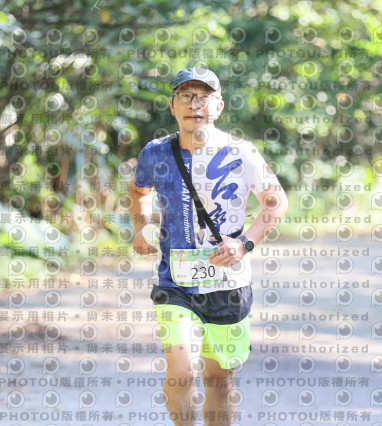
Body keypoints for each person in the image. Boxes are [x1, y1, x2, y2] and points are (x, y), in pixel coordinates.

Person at [129, 67, 288, 426]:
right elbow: (139, 191)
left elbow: (276, 202)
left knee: (218, 379)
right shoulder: (156, 153)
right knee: (181, 372)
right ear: (172, 105)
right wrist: (141, 228)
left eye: (203, 97)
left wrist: (244, 244)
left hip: (228, 282)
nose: (194, 104)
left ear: (218, 106)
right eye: (185, 96)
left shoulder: (241, 152)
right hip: (174, 281)